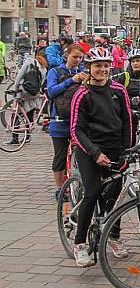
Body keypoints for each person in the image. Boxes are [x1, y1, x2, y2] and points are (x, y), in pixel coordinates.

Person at [69, 47, 133, 266]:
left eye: (106, 66)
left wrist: (127, 150)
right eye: (98, 66)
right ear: (89, 68)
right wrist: (95, 153)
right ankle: (79, 244)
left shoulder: (118, 90)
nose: (102, 70)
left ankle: (113, 236)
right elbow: (76, 130)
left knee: (117, 194)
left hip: (115, 147)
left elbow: (127, 122)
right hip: (89, 149)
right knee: (93, 192)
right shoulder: (82, 94)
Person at [46, 44, 87, 197]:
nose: (77, 60)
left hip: (79, 121)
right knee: (60, 156)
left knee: (83, 155)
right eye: (74, 57)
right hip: (59, 121)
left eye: (80, 57)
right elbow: (51, 92)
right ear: (66, 56)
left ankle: (80, 184)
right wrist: (71, 81)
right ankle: (59, 189)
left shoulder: (83, 72)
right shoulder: (55, 71)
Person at [9, 51, 47, 145]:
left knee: (16, 114)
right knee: (29, 113)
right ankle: (27, 136)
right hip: (33, 93)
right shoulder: (44, 69)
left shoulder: (30, 61)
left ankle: (15, 137)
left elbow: (19, 76)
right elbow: (41, 83)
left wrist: (16, 89)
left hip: (24, 91)